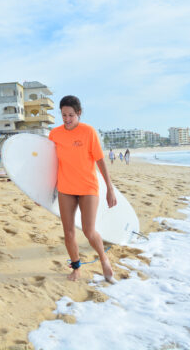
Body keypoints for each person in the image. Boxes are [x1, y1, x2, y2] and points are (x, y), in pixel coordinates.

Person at [49, 95, 117, 282]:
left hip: (88, 187)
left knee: (88, 230)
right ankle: (76, 267)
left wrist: (110, 188)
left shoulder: (88, 132)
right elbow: (49, 164)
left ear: (79, 113)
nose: (67, 119)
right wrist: (41, 191)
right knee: (68, 232)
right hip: (65, 188)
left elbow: (100, 161)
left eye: (71, 115)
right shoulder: (55, 134)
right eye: (64, 115)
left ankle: (104, 259)